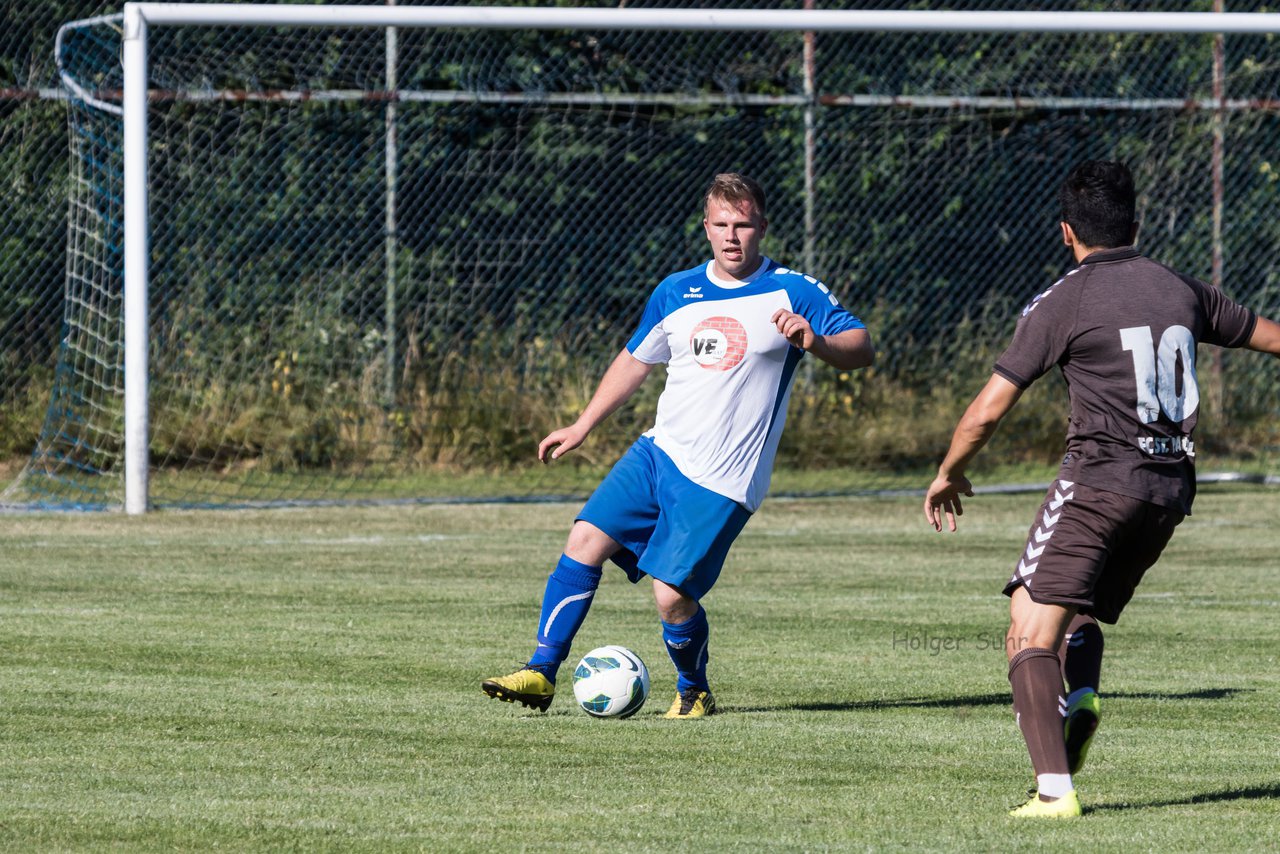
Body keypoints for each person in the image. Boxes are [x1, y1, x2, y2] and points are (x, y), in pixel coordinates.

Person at [924, 160, 1280, 818]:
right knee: (1073, 605)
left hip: (1098, 484)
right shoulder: (1183, 290)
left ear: (1066, 232)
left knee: (1027, 632)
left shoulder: (1064, 301)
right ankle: (1080, 696)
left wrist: (949, 472)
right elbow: (1271, 337)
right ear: (1135, 225)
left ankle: (1053, 792)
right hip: (1168, 492)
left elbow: (987, 410)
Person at [482, 172, 875, 718]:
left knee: (671, 596)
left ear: (762, 226)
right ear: (706, 228)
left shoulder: (795, 290)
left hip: (723, 479)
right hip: (658, 451)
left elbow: (860, 347)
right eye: (721, 225)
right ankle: (540, 672)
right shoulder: (676, 290)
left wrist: (817, 341)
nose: (732, 236)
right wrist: (583, 424)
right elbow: (636, 360)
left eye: (743, 224)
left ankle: (694, 690)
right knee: (584, 540)